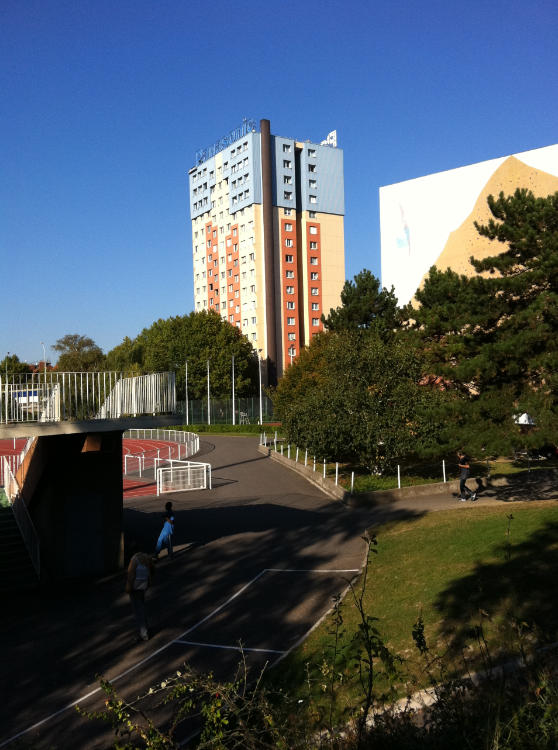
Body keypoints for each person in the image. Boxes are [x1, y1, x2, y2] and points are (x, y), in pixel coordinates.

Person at [126, 541, 155, 642]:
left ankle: (143, 634)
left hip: (136, 587)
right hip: (144, 584)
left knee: (138, 610)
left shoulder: (134, 560)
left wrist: (128, 588)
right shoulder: (146, 556)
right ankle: (146, 627)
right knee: (142, 607)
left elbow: (131, 576)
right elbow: (153, 568)